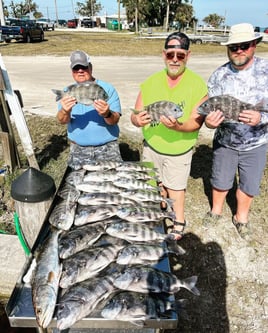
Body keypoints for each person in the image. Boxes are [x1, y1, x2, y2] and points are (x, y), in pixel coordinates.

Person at [131, 32, 208, 240]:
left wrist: (177, 128)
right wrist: (137, 121)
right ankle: (157, 213)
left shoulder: (197, 84)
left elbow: (196, 121)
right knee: (152, 185)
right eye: (170, 54)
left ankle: (178, 221)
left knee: (175, 187)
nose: (175, 59)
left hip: (178, 150)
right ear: (164, 54)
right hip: (151, 147)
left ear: (188, 56)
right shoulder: (150, 82)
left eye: (180, 55)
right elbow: (135, 115)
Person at [202, 23, 268, 240]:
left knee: (249, 185)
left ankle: (242, 218)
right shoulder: (218, 76)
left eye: (245, 46)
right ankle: (216, 211)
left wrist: (262, 117)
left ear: (254, 45)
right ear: (228, 49)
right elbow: (208, 112)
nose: (239, 51)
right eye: (234, 47)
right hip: (226, 141)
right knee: (220, 181)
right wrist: (210, 123)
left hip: (256, 143)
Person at [56, 50, 122, 169]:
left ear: (90, 67)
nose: (80, 71)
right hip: (78, 148)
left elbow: (115, 120)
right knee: (77, 185)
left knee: (110, 184)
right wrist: (65, 111)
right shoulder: (68, 91)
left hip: (107, 147)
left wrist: (107, 114)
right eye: (76, 68)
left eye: (83, 67)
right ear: (72, 71)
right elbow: (62, 120)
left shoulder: (107, 89)